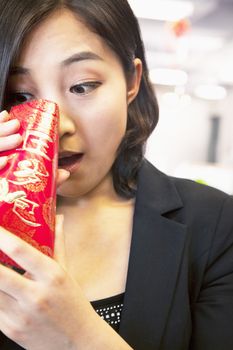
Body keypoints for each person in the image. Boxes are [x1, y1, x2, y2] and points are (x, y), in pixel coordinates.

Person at [0, 0, 232, 349]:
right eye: (21, 94)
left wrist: (77, 337)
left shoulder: (215, 225)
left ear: (131, 82)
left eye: (82, 86)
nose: (57, 126)